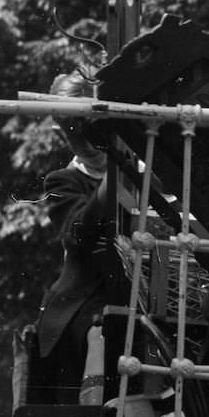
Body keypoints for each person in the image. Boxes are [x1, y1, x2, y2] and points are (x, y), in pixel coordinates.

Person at [35, 71, 123, 398]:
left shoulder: (148, 171)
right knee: (94, 333)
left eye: (92, 130)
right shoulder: (62, 181)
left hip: (143, 293)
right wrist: (115, 179)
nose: (87, 143)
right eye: (73, 133)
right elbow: (76, 235)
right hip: (84, 299)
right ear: (61, 135)